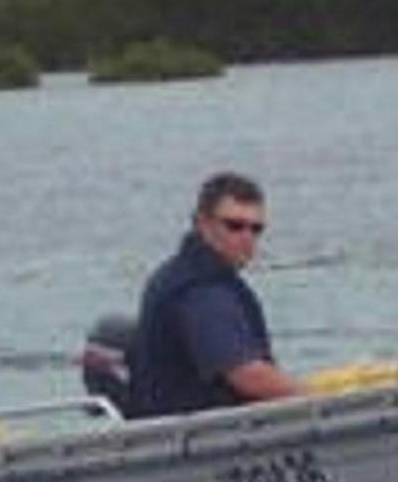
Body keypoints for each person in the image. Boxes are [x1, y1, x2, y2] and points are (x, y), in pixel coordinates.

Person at [124, 171, 301, 419]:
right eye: (234, 226)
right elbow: (246, 374)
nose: (247, 238)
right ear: (202, 224)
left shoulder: (183, 274)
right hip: (198, 437)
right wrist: (317, 400)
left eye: (256, 229)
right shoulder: (200, 291)